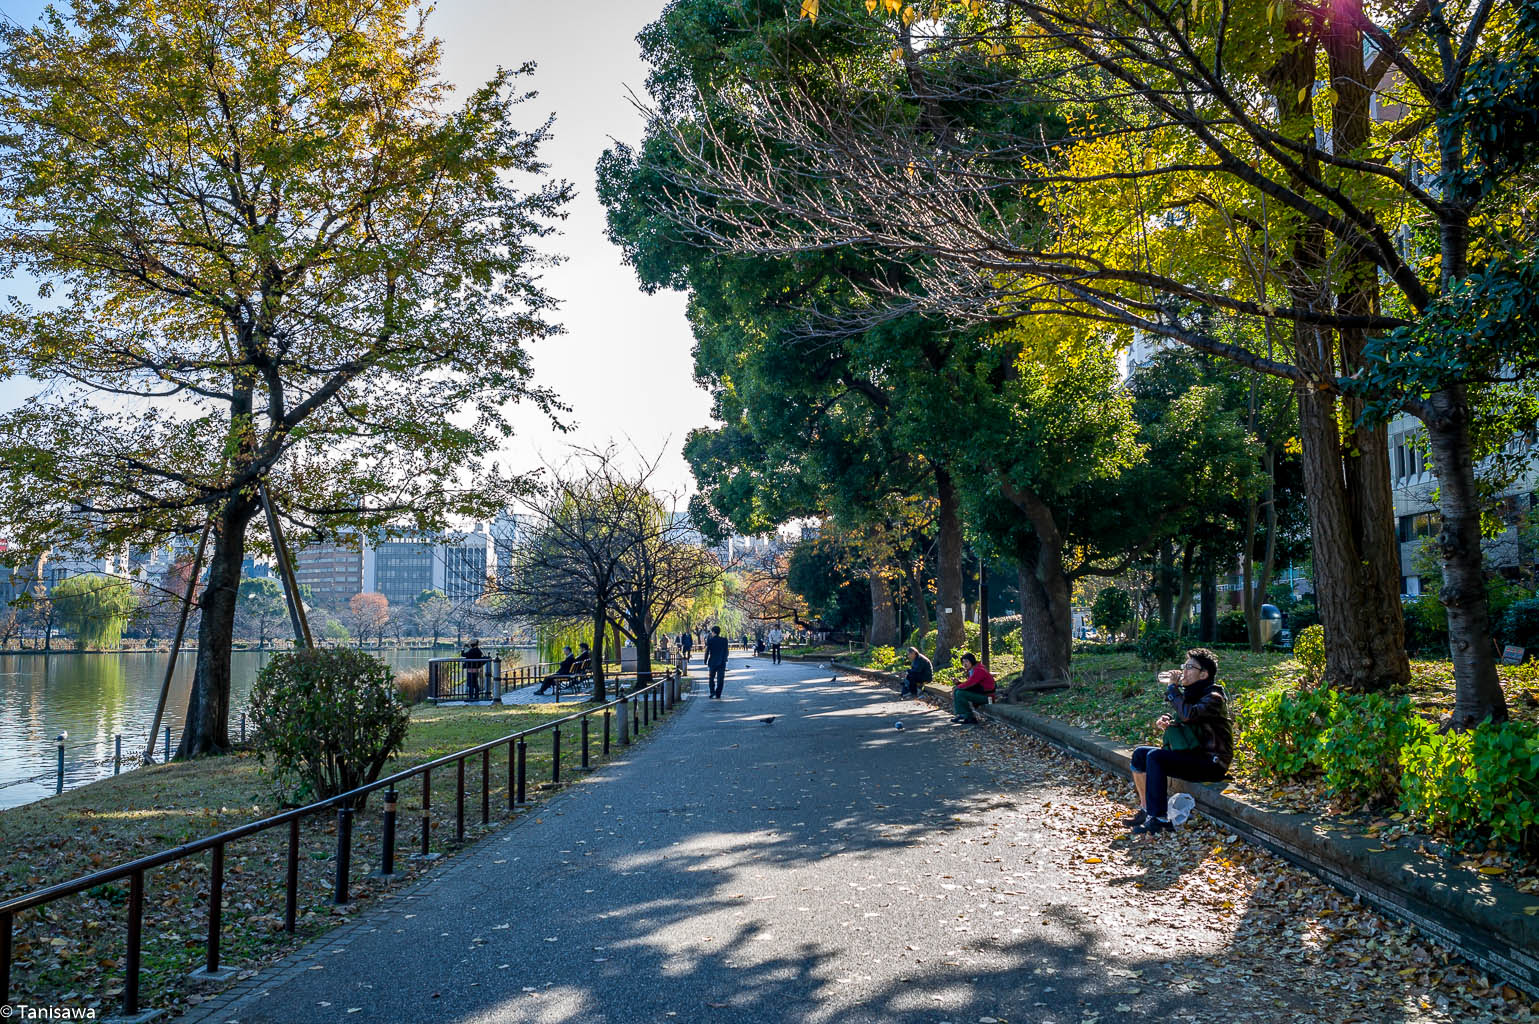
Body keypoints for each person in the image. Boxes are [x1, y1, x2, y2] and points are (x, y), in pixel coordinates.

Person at [1126, 648, 1233, 837]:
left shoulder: (1213, 697)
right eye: (1184, 666)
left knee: (1156, 757)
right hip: (1194, 754)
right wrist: (1167, 718)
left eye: (1189, 667)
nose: (1183, 671)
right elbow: (1184, 714)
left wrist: (1173, 688)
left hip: (1212, 762)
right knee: (1140, 754)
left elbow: (1190, 714)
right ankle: (1146, 810)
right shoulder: (1194, 693)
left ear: (1204, 674)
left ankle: (1159, 820)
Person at [950, 653, 994, 723]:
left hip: (988, 697)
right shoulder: (973, 669)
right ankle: (962, 714)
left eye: (966, 661)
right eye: (963, 662)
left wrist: (957, 687)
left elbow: (970, 684)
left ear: (972, 661)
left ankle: (969, 717)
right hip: (981, 694)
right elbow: (971, 685)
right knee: (958, 690)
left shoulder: (978, 670)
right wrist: (958, 684)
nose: (964, 664)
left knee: (959, 692)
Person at [705, 625, 730, 699]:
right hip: (722, 662)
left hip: (712, 662)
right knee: (720, 679)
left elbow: (707, 651)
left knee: (711, 678)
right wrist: (725, 659)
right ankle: (718, 693)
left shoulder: (710, 640)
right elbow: (726, 651)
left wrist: (705, 660)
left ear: (713, 632)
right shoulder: (724, 640)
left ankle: (712, 692)